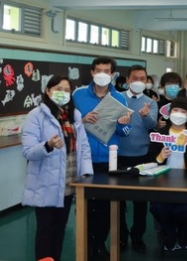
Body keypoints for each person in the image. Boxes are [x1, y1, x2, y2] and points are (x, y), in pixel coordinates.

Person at [22, 75, 93, 261]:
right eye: (58, 89)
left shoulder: (74, 115)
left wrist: (86, 172)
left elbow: (84, 147)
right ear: (48, 91)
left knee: (60, 229)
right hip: (46, 182)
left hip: (69, 180)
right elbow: (28, 151)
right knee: (46, 230)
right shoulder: (36, 116)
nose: (63, 93)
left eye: (67, 90)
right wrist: (48, 145)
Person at [73, 56, 132, 260]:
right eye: (98, 70)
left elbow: (125, 132)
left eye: (106, 71)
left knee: (106, 206)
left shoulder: (120, 98)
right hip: (85, 159)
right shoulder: (78, 95)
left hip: (109, 159)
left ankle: (98, 244)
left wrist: (123, 124)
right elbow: (67, 123)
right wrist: (82, 120)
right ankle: (88, 244)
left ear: (113, 74)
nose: (102, 74)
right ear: (92, 72)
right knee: (86, 205)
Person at [148, 97, 187, 251]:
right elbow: (150, 159)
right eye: (175, 110)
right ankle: (170, 233)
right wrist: (160, 157)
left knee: (186, 209)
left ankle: (183, 232)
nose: (179, 114)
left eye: (183, 111)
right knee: (158, 207)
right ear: (169, 112)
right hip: (162, 181)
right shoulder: (160, 134)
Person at [118, 65, 158, 253]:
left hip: (142, 156)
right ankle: (121, 236)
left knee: (140, 202)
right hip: (119, 156)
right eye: (135, 78)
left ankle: (137, 237)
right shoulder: (117, 98)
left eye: (143, 79)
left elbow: (152, 125)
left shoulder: (150, 102)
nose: (139, 81)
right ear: (127, 80)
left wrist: (145, 116)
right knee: (118, 201)